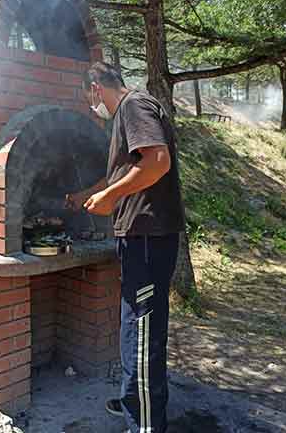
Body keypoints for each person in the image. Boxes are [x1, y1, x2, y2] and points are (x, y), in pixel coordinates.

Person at [66, 61, 185, 433]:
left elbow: (157, 161)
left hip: (148, 237)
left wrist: (109, 198)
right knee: (135, 328)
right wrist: (90, 195)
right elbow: (124, 172)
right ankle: (136, 402)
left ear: (96, 89)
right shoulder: (126, 116)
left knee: (142, 332)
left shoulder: (134, 106)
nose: (91, 107)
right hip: (140, 240)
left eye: (90, 99)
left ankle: (145, 424)